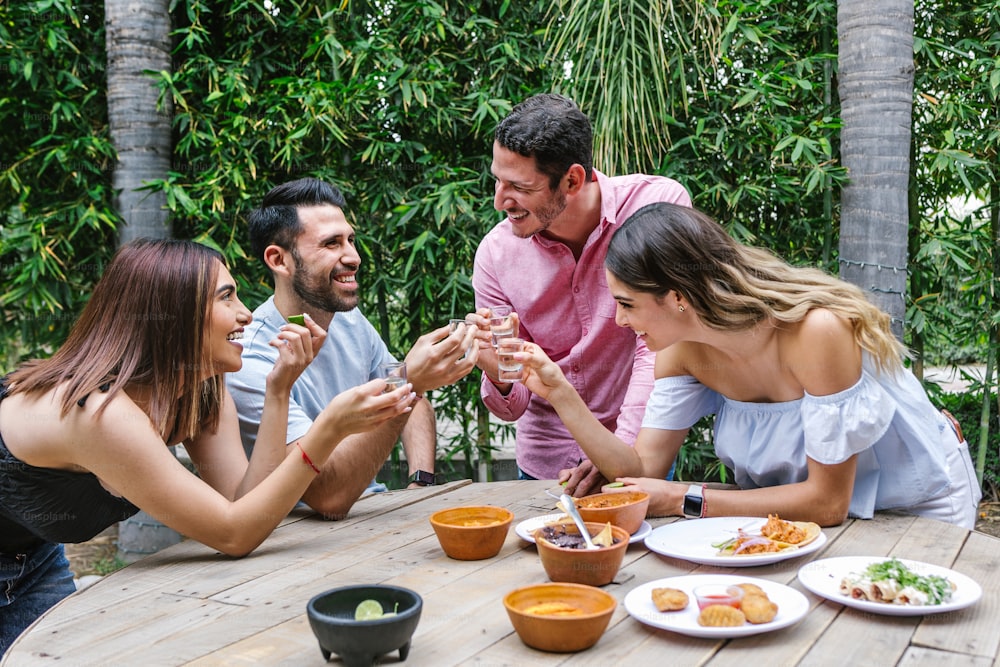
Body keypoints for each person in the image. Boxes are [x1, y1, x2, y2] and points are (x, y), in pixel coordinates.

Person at [0, 239, 414, 654]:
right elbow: (234, 534)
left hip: (33, 555)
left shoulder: (200, 390)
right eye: (226, 297)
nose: (246, 314)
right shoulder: (99, 412)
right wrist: (327, 432)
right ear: (173, 315)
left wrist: (279, 390)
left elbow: (247, 502)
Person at [514, 202, 982, 528]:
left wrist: (683, 499)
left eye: (627, 304)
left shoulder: (814, 332)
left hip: (918, 503)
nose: (618, 320)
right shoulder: (681, 353)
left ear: (677, 298)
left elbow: (828, 501)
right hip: (809, 517)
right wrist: (560, 392)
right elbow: (644, 470)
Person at [470, 93, 691, 493]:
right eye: (497, 180)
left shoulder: (656, 206)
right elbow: (513, 404)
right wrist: (496, 371)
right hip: (544, 467)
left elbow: (658, 346)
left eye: (518, 186)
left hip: (638, 459)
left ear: (572, 180)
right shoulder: (495, 254)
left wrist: (618, 453)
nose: (500, 200)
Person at [226, 178, 478, 519]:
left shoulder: (350, 320)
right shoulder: (249, 358)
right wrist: (410, 381)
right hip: (294, 536)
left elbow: (410, 402)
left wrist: (421, 481)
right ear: (279, 260)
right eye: (331, 244)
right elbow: (328, 497)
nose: (354, 257)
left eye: (350, 240)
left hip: (371, 513)